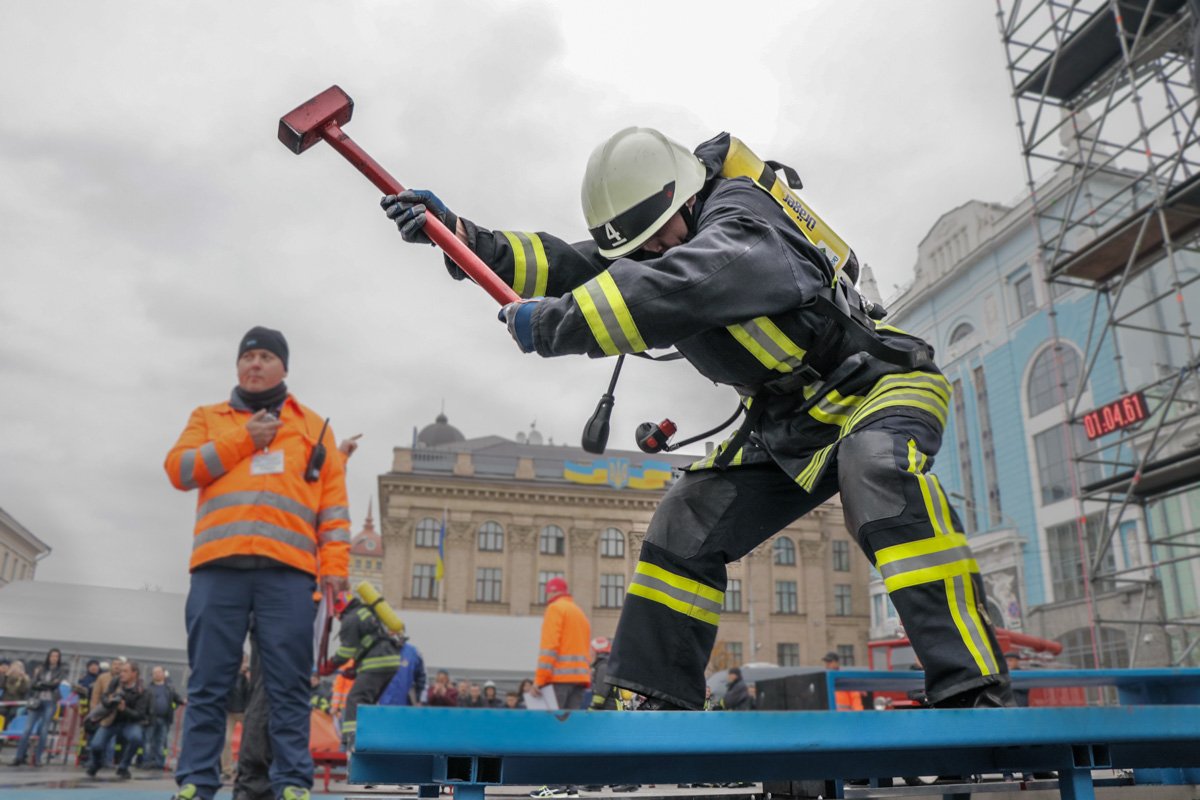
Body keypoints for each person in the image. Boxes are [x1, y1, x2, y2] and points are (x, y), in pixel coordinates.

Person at [381, 128, 1011, 711]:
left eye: (659, 235)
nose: (654, 250)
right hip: (791, 420)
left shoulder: (743, 219)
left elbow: (685, 280)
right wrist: (461, 237)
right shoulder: (664, 242)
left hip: (881, 384)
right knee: (685, 519)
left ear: (685, 195)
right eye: (640, 246)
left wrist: (554, 323)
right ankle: (658, 699)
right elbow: (576, 266)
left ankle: (970, 685)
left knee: (876, 472)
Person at [165, 326, 351, 800]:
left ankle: (291, 783)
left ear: (284, 367)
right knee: (209, 682)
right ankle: (197, 783)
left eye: (266, 356)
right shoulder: (209, 418)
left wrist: (335, 571)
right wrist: (244, 439)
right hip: (217, 568)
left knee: (289, 685)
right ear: (237, 366)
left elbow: (333, 512)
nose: (255, 363)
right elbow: (180, 471)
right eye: (248, 356)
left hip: (287, 574)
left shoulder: (313, 429)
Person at [328, 591, 401, 749]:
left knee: (355, 699)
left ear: (340, 607)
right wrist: (355, 669)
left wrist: (330, 665)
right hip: (391, 658)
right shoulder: (366, 610)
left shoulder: (350, 619)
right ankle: (370, 738)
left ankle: (351, 741)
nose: (337, 617)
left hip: (377, 661)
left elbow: (346, 652)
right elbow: (368, 643)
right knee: (368, 702)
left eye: (336, 613)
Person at [533, 577, 591, 711]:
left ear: (551, 592)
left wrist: (539, 680)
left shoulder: (555, 609)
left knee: (553, 726)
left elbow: (549, 648)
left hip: (559, 680)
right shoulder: (579, 613)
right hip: (580, 680)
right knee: (570, 727)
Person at [86, 660, 149, 779]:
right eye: (121, 671)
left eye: (125, 671)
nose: (121, 674)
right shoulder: (115, 681)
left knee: (136, 738)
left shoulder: (142, 690)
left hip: (130, 722)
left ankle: (123, 767)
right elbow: (104, 696)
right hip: (111, 720)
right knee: (96, 745)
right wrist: (108, 701)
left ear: (134, 673)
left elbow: (139, 714)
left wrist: (124, 709)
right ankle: (96, 764)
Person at [11, 648, 67, 767]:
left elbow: (54, 685)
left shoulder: (61, 670)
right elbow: (32, 684)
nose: (54, 658)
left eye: (57, 656)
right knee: (27, 730)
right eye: (52, 656)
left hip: (50, 702)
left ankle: (37, 758)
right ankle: (18, 757)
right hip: (36, 701)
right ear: (48, 657)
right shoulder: (41, 669)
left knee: (44, 730)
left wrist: (41, 684)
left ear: (59, 658)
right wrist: (44, 685)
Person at [143, 666, 185, 771]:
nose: (157, 674)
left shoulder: (169, 688)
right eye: (155, 673)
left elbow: (177, 698)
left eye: (159, 672)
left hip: (164, 719)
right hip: (150, 719)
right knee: (148, 741)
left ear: (163, 674)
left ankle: (159, 762)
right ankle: (147, 762)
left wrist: (184, 701)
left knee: (161, 742)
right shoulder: (147, 689)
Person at [377, 632, 427, 708]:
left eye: (398, 631)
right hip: (382, 707)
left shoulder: (413, 652)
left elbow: (422, 678)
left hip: (406, 707)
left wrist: (420, 700)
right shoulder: (379, 651)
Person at [222, 656, 251, 778]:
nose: (244, 664)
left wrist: (248, 678)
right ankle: (227, 769)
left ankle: (247, 768)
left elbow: (253, 692)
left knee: (250, 741)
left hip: (246, 712)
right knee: (226, 740)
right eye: (242, 661)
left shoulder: (248, 677)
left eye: (245, 661)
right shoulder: (230, 675)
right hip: (230, 712)